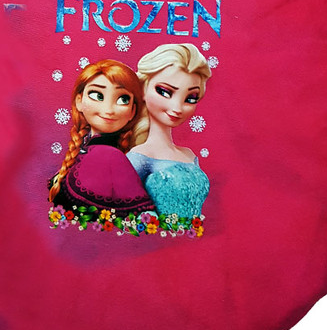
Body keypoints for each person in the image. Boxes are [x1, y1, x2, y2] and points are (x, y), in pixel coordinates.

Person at [48, 59, 155, 219]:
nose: (109, 110)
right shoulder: (83, 150)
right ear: (79, 101)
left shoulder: (111, 155)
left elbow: (145, 218)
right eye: (97, 95)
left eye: (123, 99)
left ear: (132, 111)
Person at [127, 44, 211, 220]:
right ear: (143, 89)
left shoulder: (190, 156)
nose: (177, 108)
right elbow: (124, 210)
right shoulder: (139, 157)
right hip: (160, 236)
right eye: (164, 92)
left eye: (190, 98)